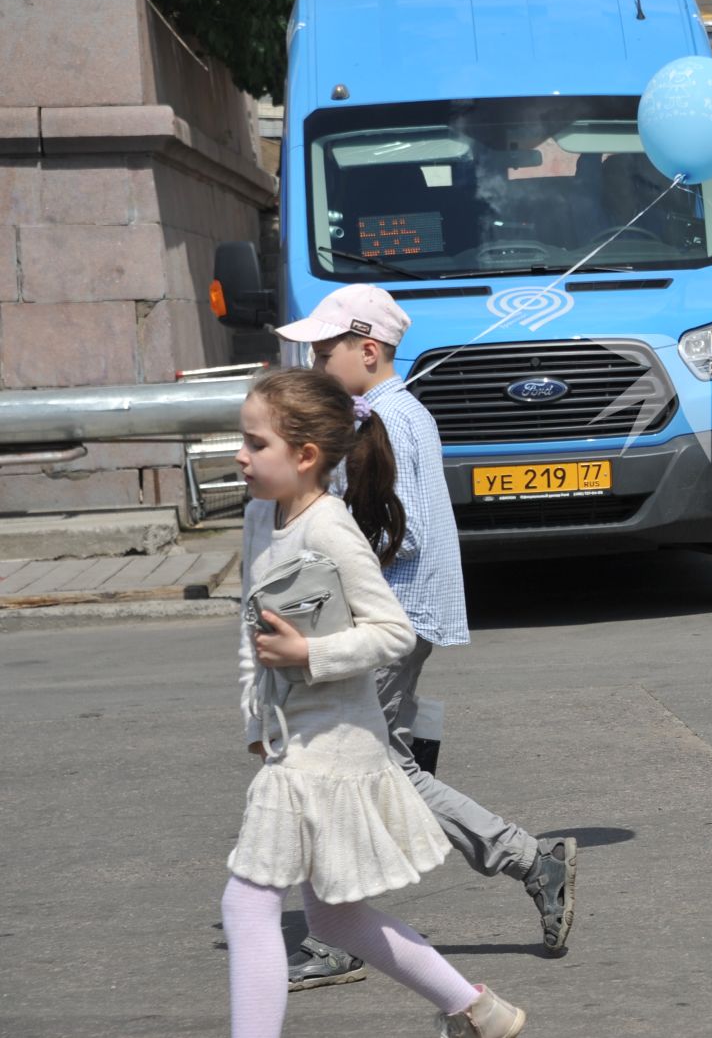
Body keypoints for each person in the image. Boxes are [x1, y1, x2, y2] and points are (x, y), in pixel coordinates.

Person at [273, 286, 578, 990]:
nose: (315, 361)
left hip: (384, 623)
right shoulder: (396, 412)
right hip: (402, 619)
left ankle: (522, 863)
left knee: (350, 769)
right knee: (374, 769)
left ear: (368, 349)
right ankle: (520, 864)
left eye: (325, 350)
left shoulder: (382, 422)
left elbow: (388, 534)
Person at [226, 368, 526, 1037]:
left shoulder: (330, 528)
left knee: (246, 902)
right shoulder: (257, 516)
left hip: (332, 749)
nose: (238, 455)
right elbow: (251, 624)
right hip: (291, 741)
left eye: (254, 442)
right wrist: (254, 718)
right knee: (336, 917)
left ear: (305, 456)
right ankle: (477, 1010)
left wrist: (313, 656)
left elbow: (391, 629)